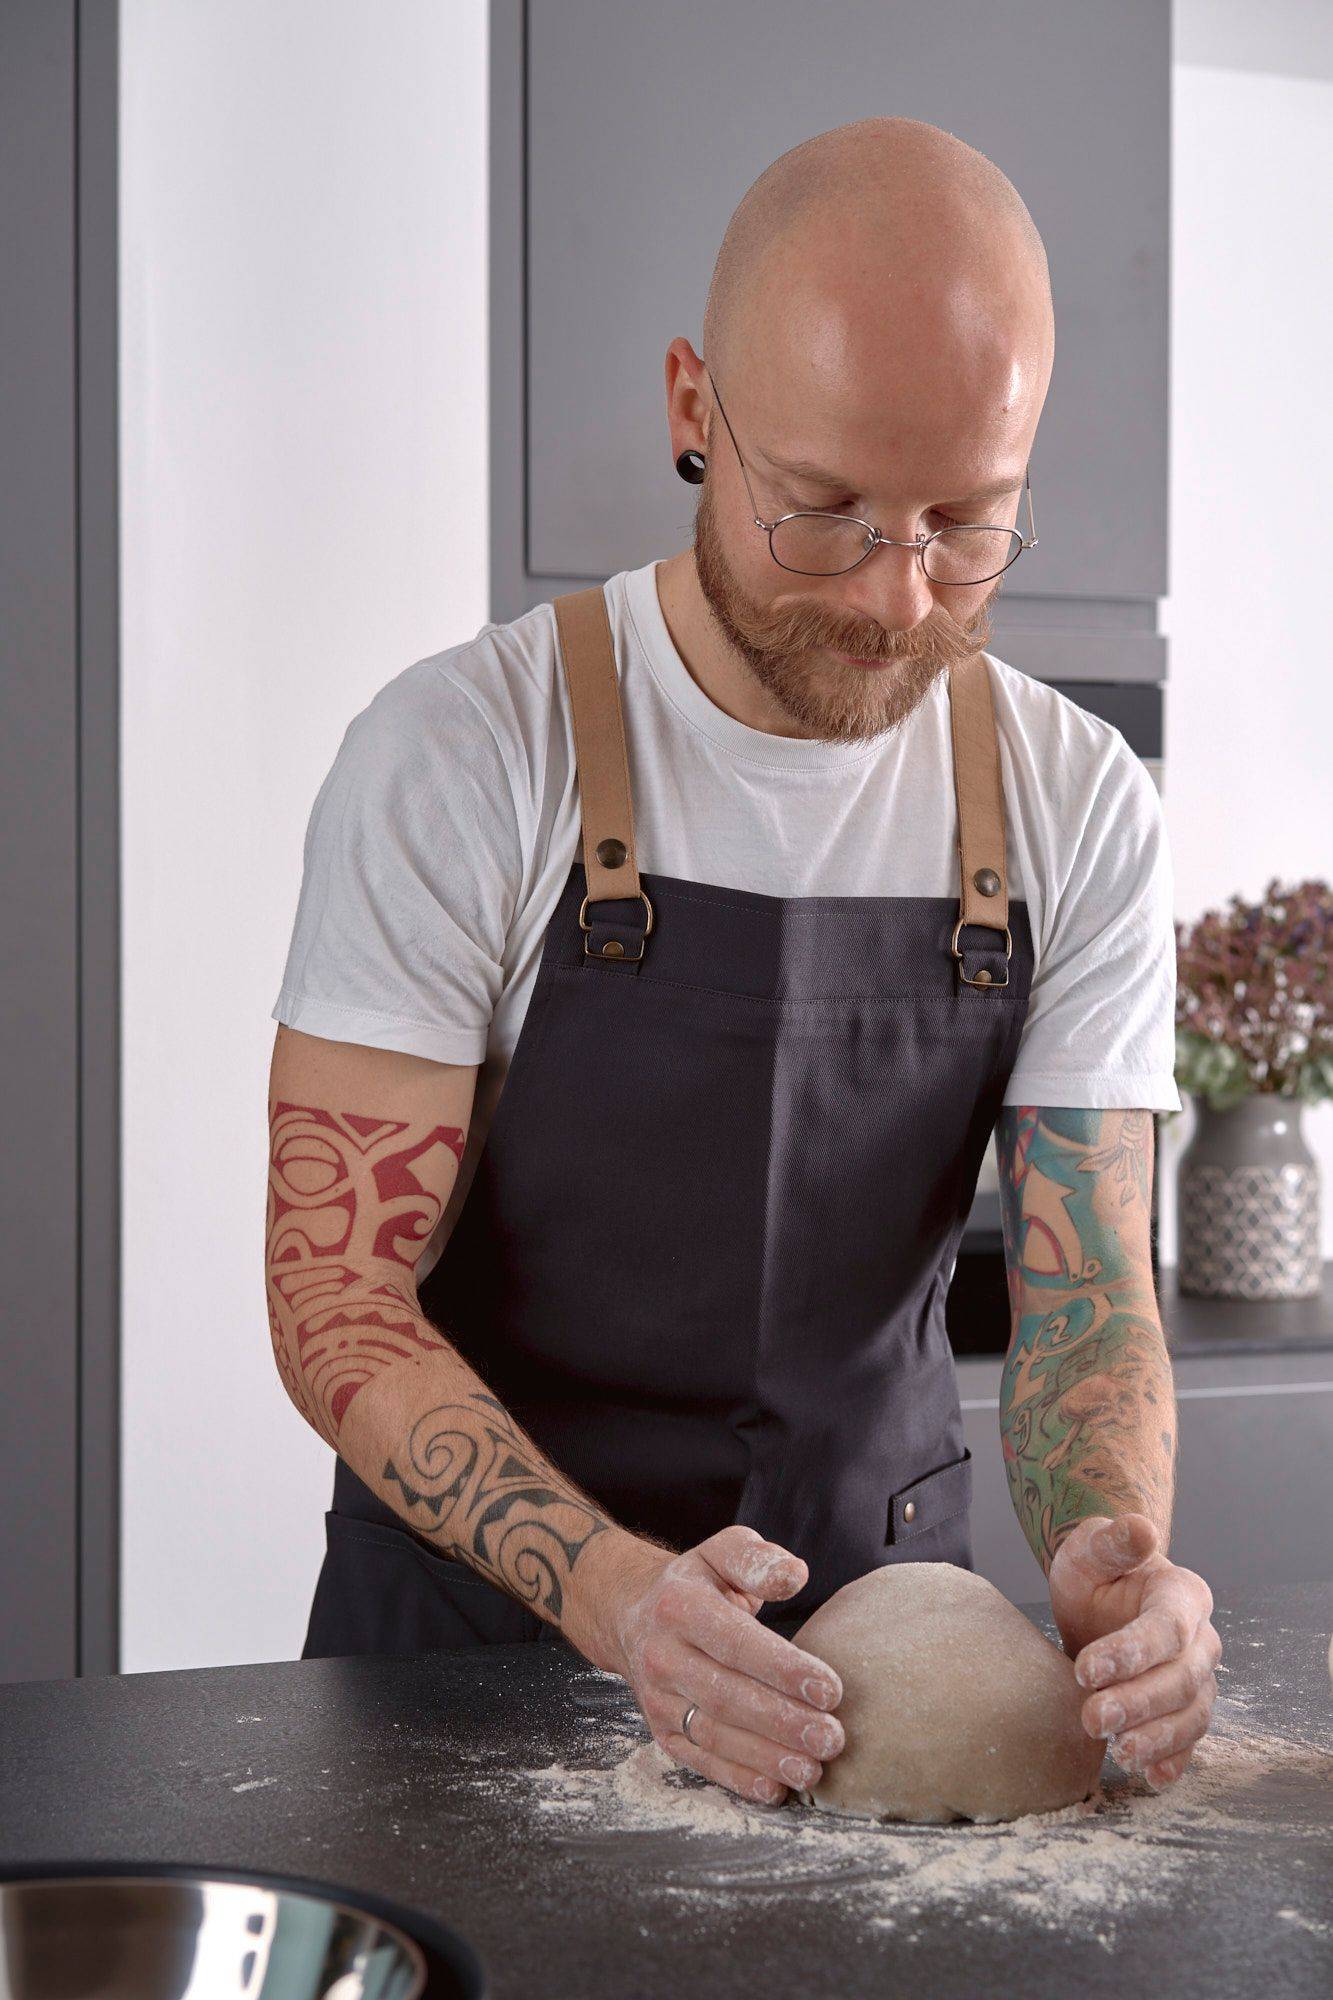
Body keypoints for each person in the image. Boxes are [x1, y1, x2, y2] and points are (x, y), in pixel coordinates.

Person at [266, 116, 1221, 1811]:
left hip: (887, 1679)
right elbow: (334, 1293)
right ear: (695, 408)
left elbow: (1087, 1295)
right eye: (826, 510)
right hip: (470, 1670)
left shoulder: (1078, 802)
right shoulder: (461, 755)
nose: (894, 596)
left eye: (963, 524)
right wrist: (619, 1596)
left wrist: (1109, 1550)